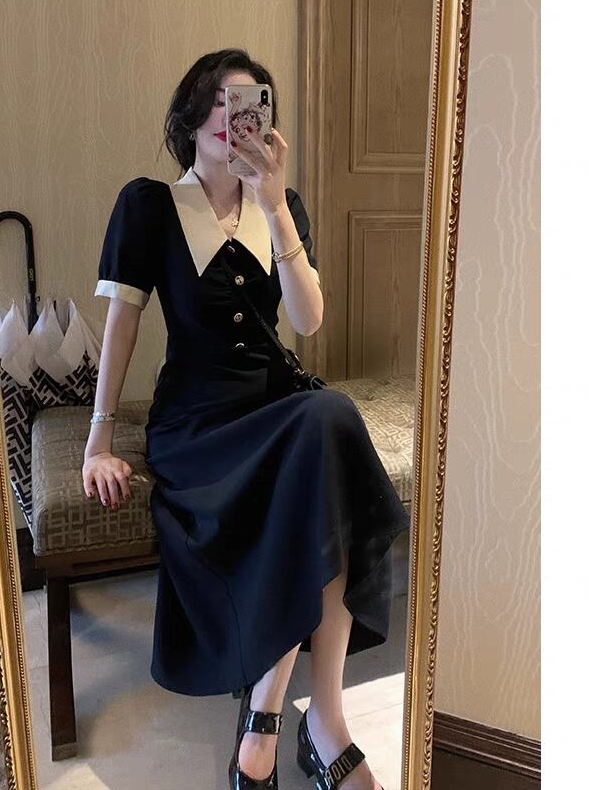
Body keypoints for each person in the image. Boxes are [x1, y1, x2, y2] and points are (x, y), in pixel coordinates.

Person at [82, 49, 408, 790]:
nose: (235, 119)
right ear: (191, 117)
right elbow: (122, 326)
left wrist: (274, 203)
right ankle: (303, 728)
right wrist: (99, 438)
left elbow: (308, 320)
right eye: (220, 103)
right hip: (198, 428)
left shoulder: (280, 206)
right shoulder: (149, 205)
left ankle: (298, 721)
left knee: (325, 430)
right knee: (324, 434)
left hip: (278, 413)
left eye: (250, 104)